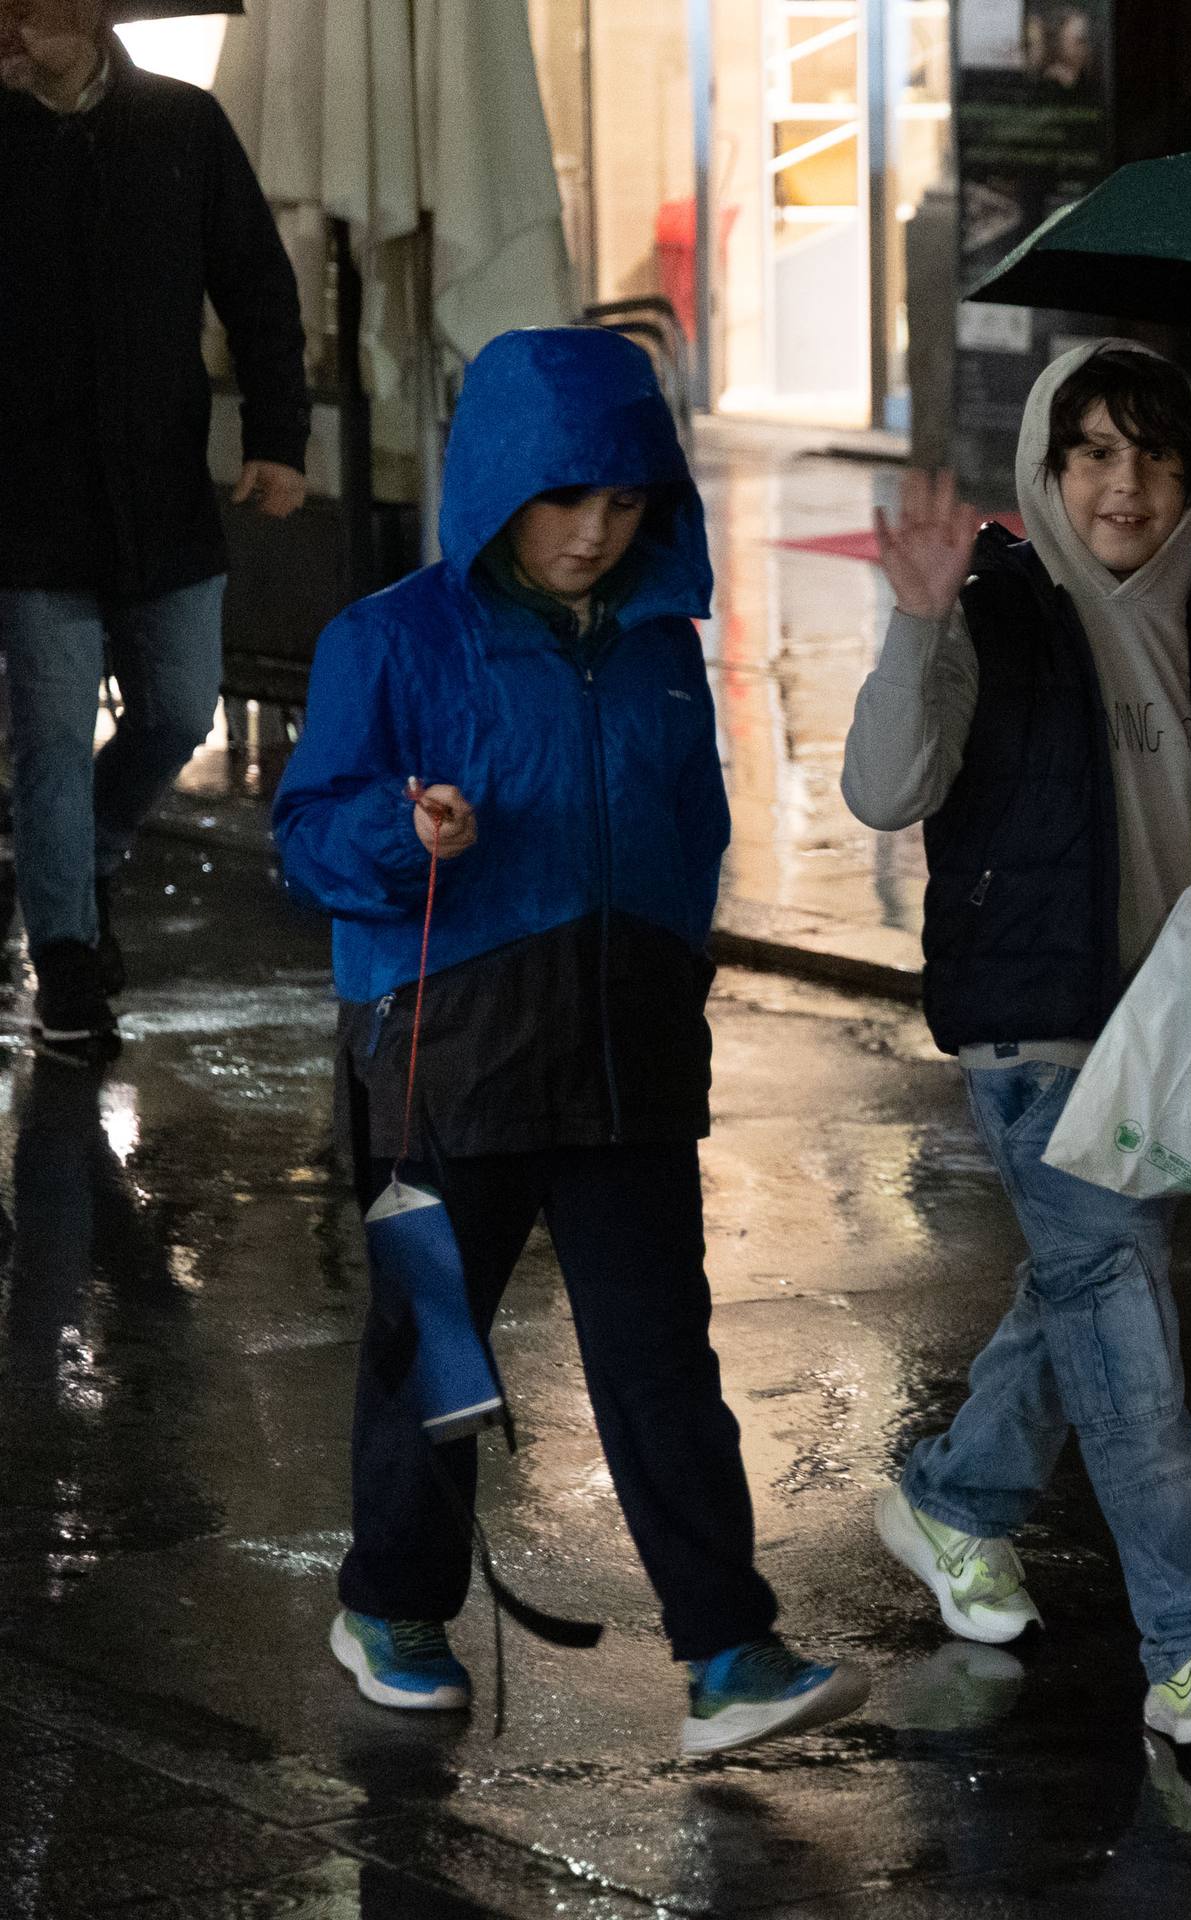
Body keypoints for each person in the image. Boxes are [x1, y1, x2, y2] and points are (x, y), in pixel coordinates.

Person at [273, 328, 866, 1757]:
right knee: (433, 1353)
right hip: (446, 1059)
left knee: (661, 1360)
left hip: (626, 1058)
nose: (595, 531)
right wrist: (400, 834)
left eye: (624, 500)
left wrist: (674, 975)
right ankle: (392, 1606)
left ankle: (727, 1648)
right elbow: (305, 837)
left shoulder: (659, 645)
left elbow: (690, 827)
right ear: (495, 485)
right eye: (562, 498)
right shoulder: (388, 640)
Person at [840, 340, 1191, 1748]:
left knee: (1084, 1298)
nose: (1127, 484)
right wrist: (916, 624)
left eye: (1157, 455)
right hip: (1033, 1025)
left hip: (1166, 1034)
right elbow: (883, 787)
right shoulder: (991, 608)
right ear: (1046, 469)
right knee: (1124, 1329)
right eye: (1094, 452)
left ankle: (952, 1501)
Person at [1, 0, 309, 1056]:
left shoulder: (182, 124)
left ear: (86, 15)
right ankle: (67, 965)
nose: (7, 35)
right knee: (48, 737)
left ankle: (83, 859)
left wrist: (278, 438)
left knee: (178, 709)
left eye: (28, 13)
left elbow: (257, 285)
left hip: (163, 495)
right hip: (28, 506)